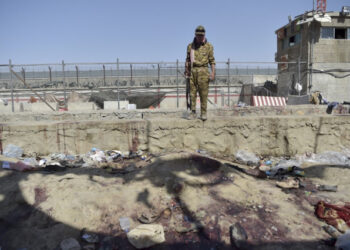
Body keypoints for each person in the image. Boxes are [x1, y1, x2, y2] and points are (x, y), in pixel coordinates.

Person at [185, 25, 216, 121]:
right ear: (195, 35)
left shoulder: (209, 46)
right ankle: (193, 112)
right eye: (198, 35)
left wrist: (213, 73)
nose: (200, 37)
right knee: (192, 93)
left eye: (201, 35)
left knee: (203, 93)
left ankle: (203, 113)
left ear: (204, 35)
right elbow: (187, 59)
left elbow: (212, 61)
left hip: (203, 71)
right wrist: (187, 70)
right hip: (193, 71)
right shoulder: (190, 46)